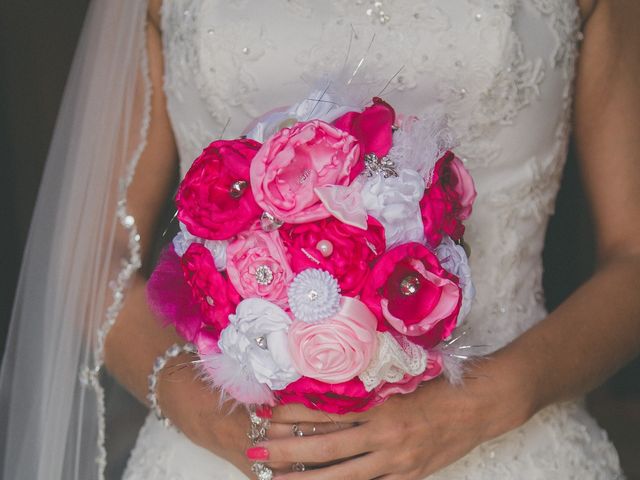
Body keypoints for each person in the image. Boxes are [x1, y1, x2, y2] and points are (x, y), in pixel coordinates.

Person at [1, 0, 639, 479]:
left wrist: (489, 401)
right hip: (225, 451)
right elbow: (94, 248)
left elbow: (632, 255)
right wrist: (193, 404)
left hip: (511, 443)